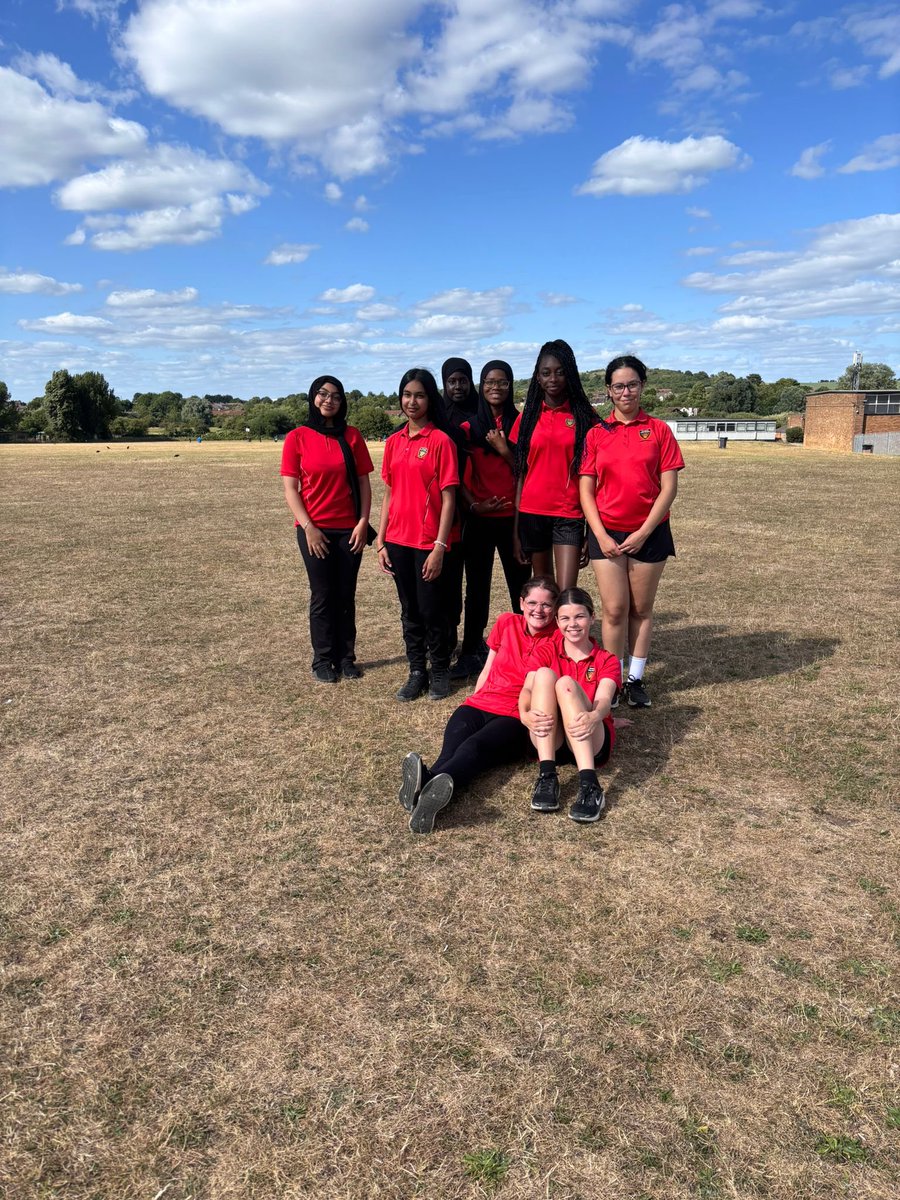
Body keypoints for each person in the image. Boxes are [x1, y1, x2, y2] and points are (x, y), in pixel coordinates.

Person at [398, 577, 560, 834]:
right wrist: (474, 700)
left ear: (555, 608)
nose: (538, 610)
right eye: (532, 603)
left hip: (515, 716)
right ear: (521, 603)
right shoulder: (506, 622)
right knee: (449, 752)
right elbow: (488, 666)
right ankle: (427, 791)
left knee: (474, 747)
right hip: (482, 702)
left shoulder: (560, 638)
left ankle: (425, 784)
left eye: (546, 605)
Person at [579, 355, 685, 708]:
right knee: (614, 610)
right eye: (619, 386)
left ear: (643, 386)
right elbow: (586, 489)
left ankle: (635, 679)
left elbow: (668, 488)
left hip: (650, 533)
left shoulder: (658, 430)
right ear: (608, 390)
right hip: (606, 533)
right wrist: (601, 535)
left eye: (632, 384)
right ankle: (612, 681)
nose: (626, 392)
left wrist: (643, 532)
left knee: (640, 609)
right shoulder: (596, 433)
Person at [280, 375, 374, 683]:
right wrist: (309, 527)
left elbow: (363, 482)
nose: (328, 400)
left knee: (346, 595)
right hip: (314, 529)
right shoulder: (297, 437)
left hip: (349, 530)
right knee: (322, 595)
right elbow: (291, 489)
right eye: (322, 394)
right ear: (312, 397)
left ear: (342, 401)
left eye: (335, 396)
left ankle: (346, 658)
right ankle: (322, 659)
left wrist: (363, 522)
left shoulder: (352, 436)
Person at [376, 368, 459, 702]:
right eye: (407, 395)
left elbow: (449, 498)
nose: (412, 402)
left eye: (420, 395)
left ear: (430, 399)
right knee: (409, 610)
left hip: (428, 542)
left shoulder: (441, 441)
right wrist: (381, 540)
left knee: (432, 609)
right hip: (397, 541)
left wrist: (440, 546)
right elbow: (389, 492)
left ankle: (439, 670)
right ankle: (416, 671)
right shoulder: (394, 442)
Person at [451, 359, 531, 679]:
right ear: (481, 386)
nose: (495, 387)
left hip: (515, 519)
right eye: (489, 382)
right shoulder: (468, 428)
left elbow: (529, 472)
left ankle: (528, 651)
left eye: (502, 382)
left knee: (521, 588)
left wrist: (503, 448)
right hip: (481, 519)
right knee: (477, 588)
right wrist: (474, 506)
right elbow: (457, 477)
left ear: (510, 386)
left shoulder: (523, 423)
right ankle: (471, 651)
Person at [519, 588, 620, 823]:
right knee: (544, 675)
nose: (572, 624)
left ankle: (590, 785)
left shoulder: (607, 659)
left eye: (579, 616)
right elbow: (527, 690)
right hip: (551, 739)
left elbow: (604, 701)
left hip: (589, 737)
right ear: (556, 621)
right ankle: (547, 776)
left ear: (592, 617)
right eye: (565, 618)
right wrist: (524, 715)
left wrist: (595, 716)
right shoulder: (546, 650)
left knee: (565, 684)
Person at [510, 339, 598, 589]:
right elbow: (521, 475)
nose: (553, 379)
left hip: (569, 513)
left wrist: (591, 531)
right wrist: (516, 531)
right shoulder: (527, 418)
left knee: (567, 593)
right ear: (537, 377)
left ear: (569, 374)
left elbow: (593, 477)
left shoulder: (585, 417)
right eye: (546, 372)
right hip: (532, 513)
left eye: (560, 372)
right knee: (545, 592)